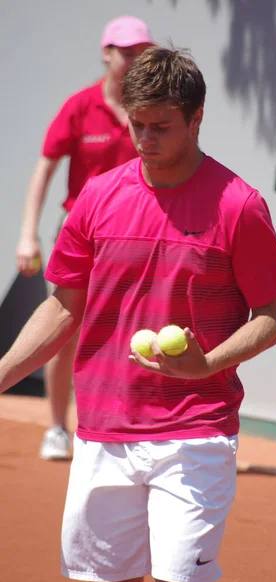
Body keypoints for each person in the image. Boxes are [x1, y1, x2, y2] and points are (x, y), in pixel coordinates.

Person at [0, 46, 276, 582]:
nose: (145, 139)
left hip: (196, 430)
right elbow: (63, 306)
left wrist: (206, 363)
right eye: (137, 124)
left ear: (196, 118)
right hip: (104, 429)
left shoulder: (239, 206)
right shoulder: (97, 197)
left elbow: (271, 317)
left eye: (161, 126)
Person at [15, 15, 154, 460]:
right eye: (127, 52)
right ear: (106, 53)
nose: (134, 59)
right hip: (80, 232)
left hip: (136, 237)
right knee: (64, 327)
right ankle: (57, 427)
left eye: (141, 51)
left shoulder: (148, 113)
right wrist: (27, 235)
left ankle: (126, 428)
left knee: (134, 333)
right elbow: (45, 168)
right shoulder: (79, 106)